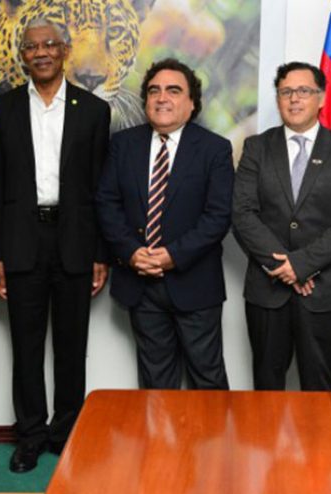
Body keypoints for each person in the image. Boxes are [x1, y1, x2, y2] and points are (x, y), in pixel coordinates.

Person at [0, 17, 110, 472]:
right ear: (22, 55)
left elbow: (100, 188)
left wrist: (101, 253)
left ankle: (65, 435)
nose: (40, 53)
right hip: (21, 241)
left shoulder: (94, 111)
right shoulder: (3, 110)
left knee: (71, 346)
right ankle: (31, 437)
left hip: (75, 240)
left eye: (48, 45)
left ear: (64, 50)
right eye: (31, 46)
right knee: (25, 345)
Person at [96, 58, 233, 390]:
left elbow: (218, 216)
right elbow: (107, 203)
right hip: (140, 282)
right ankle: (161, 445)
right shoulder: (123, 145)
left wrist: (172, 255)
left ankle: (214, 445)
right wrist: (131, 252)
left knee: (207, 379)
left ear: (191, 103)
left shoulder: (214, 149)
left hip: (194, 282)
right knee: (156, 382)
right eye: (154, 90)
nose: (162, 98)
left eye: (174, 90)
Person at [232, 62, 331, 390]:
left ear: (321, 98)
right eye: (286, 92)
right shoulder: (257, 148)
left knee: (319, 391)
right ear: (278, 99)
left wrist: (303, 265)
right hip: (268, 292)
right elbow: (242, 213)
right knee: (266, 387)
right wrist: (285, 266)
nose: (294, 99)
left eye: (304, 91)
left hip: (323, 293)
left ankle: (319, 446)